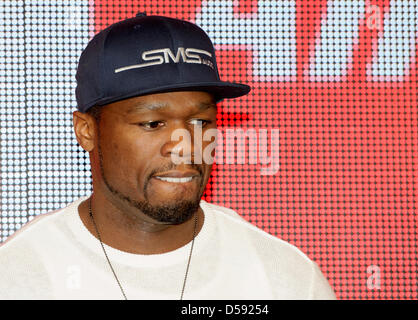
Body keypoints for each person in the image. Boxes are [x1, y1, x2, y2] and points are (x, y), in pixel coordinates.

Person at [0, 13, 336, 300]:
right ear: (87, 131)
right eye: (152, 123)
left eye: (200, 121)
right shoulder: (20, 276)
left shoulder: (284, 279)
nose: (185, 144)